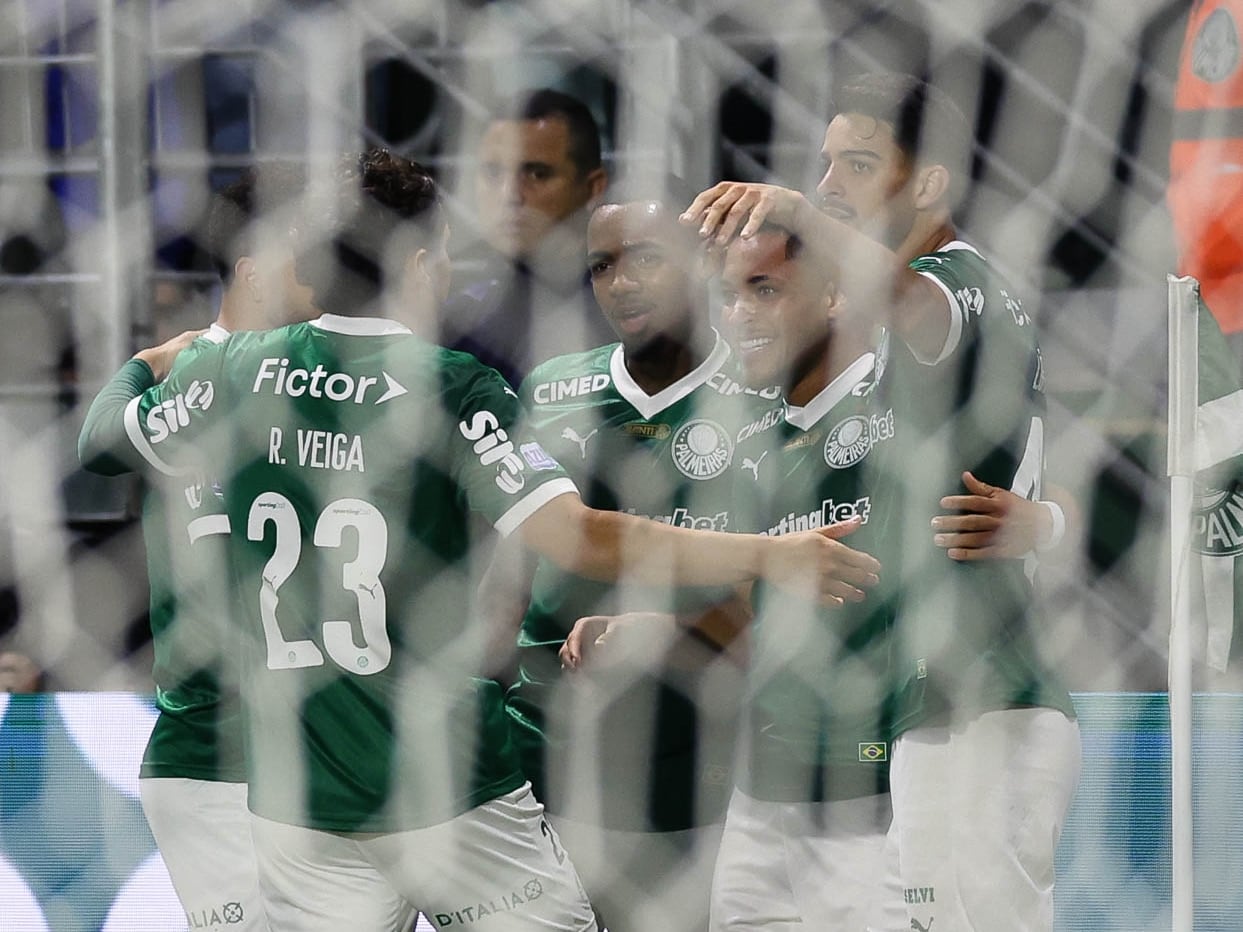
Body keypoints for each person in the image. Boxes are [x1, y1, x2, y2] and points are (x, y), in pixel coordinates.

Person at [80, 150, 877, 932]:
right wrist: (771, 554)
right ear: (416, 263)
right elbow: (576, 538)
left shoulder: (233, 371)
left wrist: (145, 365)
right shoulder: (450, 385)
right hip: (442, 780)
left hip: (298, 794)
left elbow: (102, 442)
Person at [683, 72, 1081, 931]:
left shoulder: (959, 278)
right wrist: (1047, 520)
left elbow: (915, 305)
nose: (830, 185)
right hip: (934, 698)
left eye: (857, 165)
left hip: (986, 695)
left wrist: (794, 213)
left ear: (929, 181)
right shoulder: (901, 338)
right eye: (823, 163)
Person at [497, 188, 773, 932]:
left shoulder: (764, 392)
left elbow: (787, 575)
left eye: (646, 258)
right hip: (551, 741)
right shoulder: (551, 389)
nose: (620, 283)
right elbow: (508, 563)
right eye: (601, 266)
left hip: (705, 745)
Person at [80, 163, 318, 932]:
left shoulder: (320, 369)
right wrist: (148, 365)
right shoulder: (199, 375)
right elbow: (96, 446)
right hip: (216, 744)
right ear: (254, 269)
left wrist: (143, 366)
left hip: (334, 740)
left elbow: (97, 441)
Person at [441, 88, 614, 388]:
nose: (510, 195)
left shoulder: (623, 307)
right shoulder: (460, 320)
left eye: (536, 174)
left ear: (593, 188)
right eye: (493, 172)